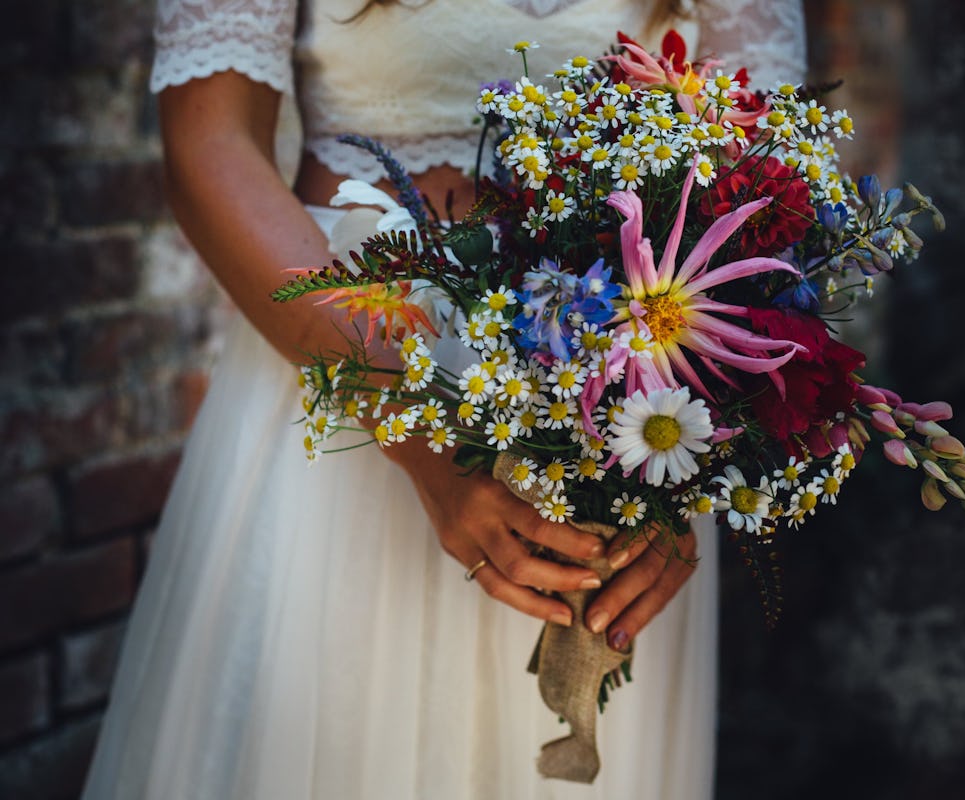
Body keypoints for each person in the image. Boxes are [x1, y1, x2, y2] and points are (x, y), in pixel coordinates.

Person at [81, 1, 807, 797]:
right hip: (347, 374)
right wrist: (420, 433)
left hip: (628, 407)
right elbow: (210, 143)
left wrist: (694, 458)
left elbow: (771, 175)